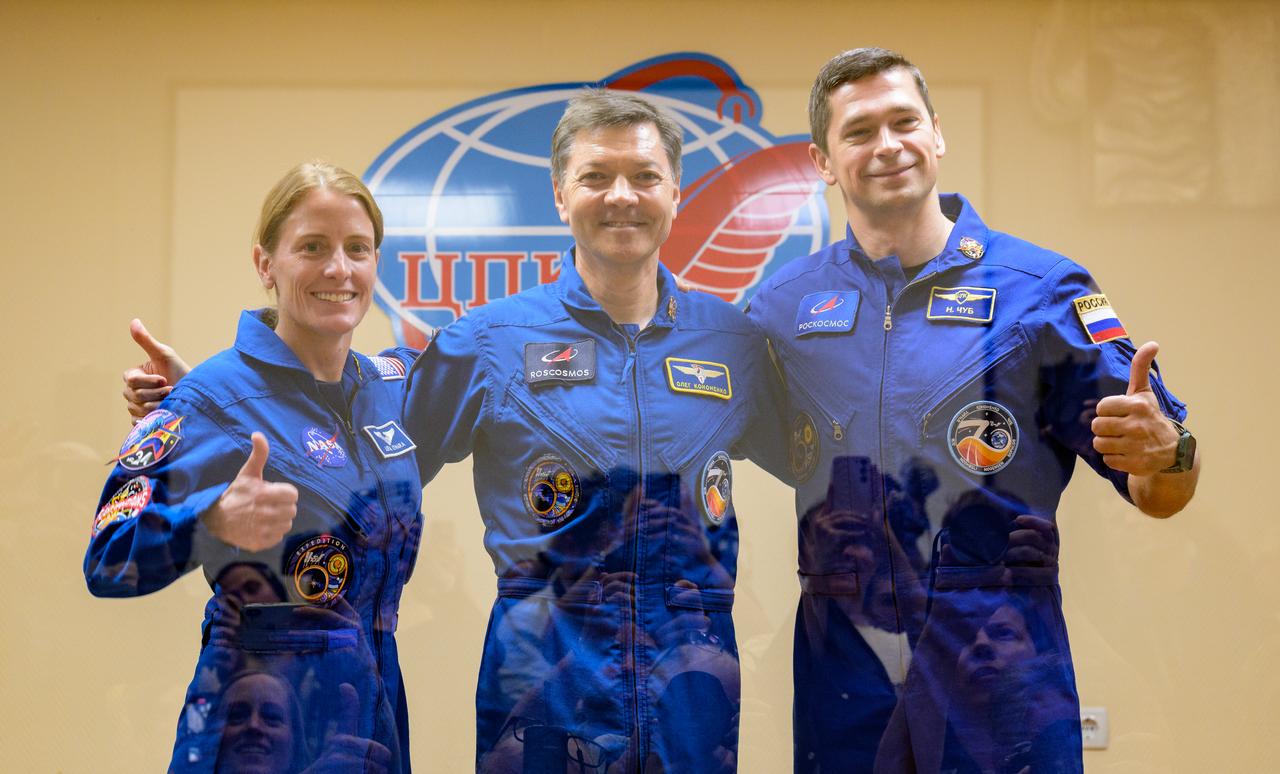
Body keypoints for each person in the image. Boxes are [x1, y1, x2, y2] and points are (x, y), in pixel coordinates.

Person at [745, 47, 1201, 772]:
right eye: (860, 131)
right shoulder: (778, 311)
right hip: (843, 669)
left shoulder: (1042, 291)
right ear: (823, 161)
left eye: (905, 121)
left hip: (997, 656)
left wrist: (1170, 451)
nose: (888, 145)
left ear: (937, 135)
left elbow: (1162, 493)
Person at [400, 88, 789, 772]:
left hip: (693, 690)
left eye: (644, 176)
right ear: (559, 194)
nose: (621, 196)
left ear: (675, 192)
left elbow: (840, 443)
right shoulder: (489, 342)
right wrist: (205, 404)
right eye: (595, 177)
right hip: (544, 687)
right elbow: (373, 443)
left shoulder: (735, 343)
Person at [87, 161, 419, 773]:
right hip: (255, 714)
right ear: (266, 263)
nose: (338, 268)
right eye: (312, 247)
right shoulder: (208, 399)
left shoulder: (390, 387)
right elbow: (108, 559)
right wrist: (210, 521)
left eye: (358, 249)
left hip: (370, 705)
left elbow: (500, 366)